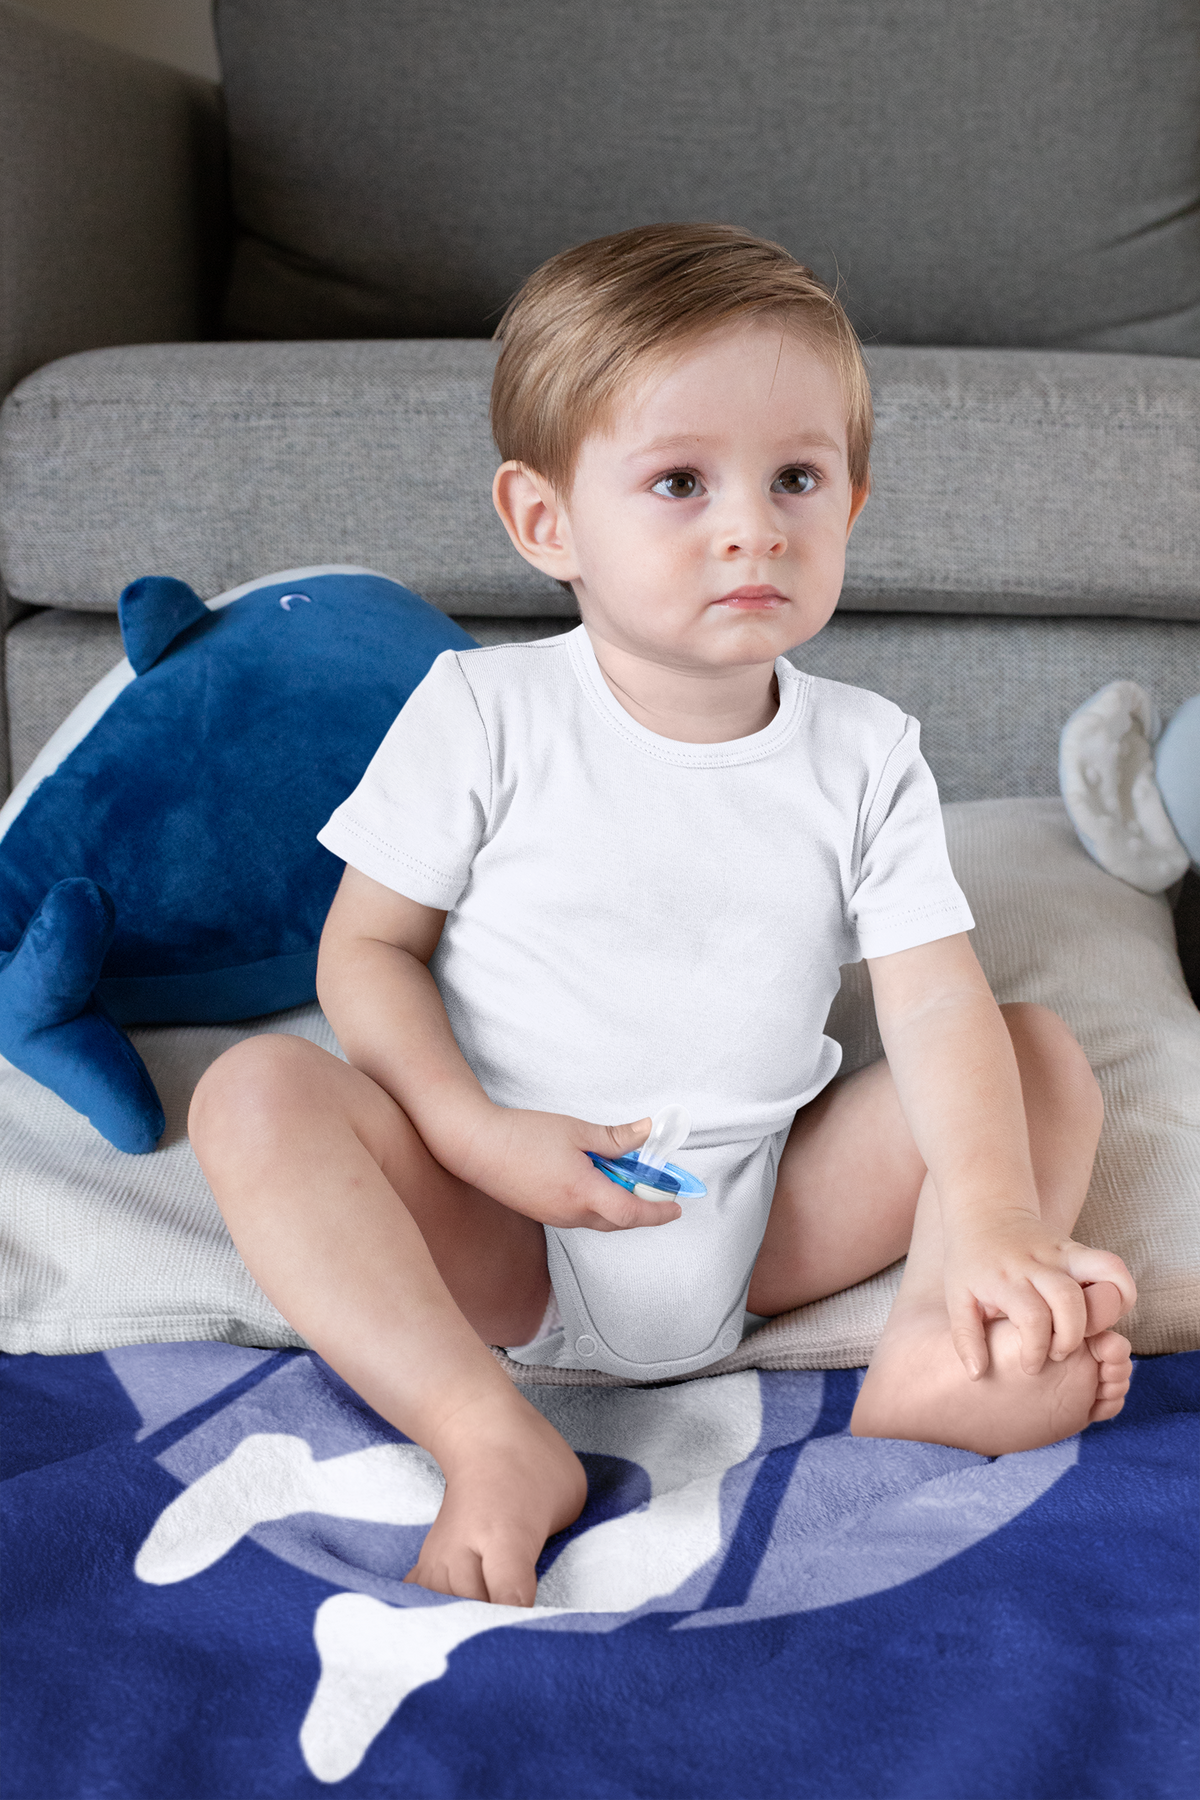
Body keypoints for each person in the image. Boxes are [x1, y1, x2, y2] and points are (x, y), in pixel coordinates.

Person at [189, 223, 1136, 1610]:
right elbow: (368, 951)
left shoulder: (866, 751)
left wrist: (991, 1215)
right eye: (682, 481)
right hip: (505, 1224)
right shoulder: (485, 714)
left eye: (797, 478)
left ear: (854, 506)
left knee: (1031, 1051)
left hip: (763, 1220)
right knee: (256, 1092)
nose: (753, 523)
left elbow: (930, 1001)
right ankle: (486, 1435)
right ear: (544, 521)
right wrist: (479, 1137)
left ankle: (943, 1342)